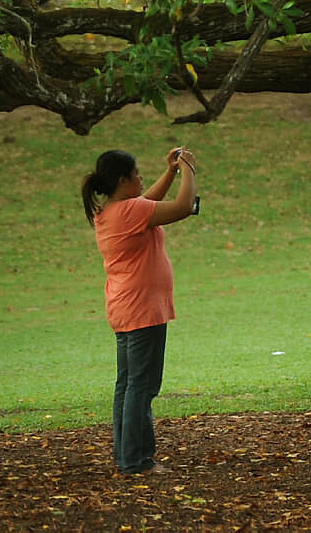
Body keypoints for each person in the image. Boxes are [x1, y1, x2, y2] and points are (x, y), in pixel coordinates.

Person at [82, 146, 199, 476]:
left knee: (128, 385)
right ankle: (137, 461)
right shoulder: (129, 213)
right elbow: (183, 206)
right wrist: (189, 168)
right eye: (136, 174)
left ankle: (127, 457)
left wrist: (172, 172)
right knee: (142, 387)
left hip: (126, 308)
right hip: (142, 309)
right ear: (123, 180)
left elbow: (146, 201)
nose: (141, 177)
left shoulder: (113, 211)